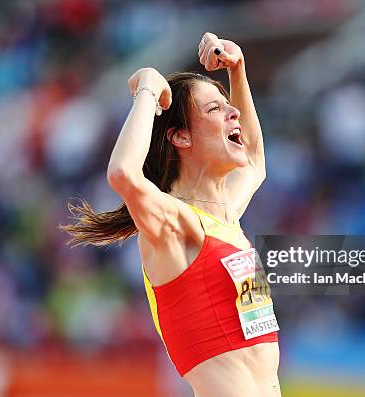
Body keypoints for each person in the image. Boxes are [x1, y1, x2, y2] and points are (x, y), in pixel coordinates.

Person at [61, 32, 281, 397]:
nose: (234, 112)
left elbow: (255, 160)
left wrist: (237, 69)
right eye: (214, 109)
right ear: (180, 137)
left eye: (228, 105)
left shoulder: (224, 216)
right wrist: (147, 89)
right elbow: (123, 174)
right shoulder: (177, 225)